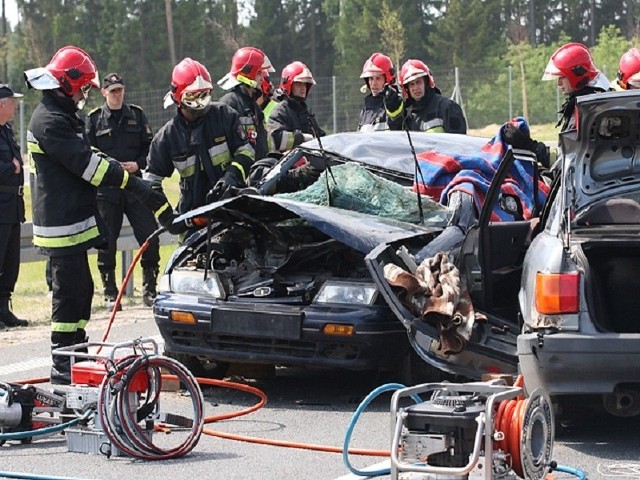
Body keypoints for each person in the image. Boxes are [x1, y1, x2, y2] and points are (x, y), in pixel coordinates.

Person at [24, 46, 173, 384]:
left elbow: (88, 152)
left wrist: (122, 173)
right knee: (69, 295)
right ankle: (63, 362)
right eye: (82, 88)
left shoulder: (59, 114)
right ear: (66, 83)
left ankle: (76, 354)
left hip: (72, 219)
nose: (84, 94)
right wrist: (136, 186)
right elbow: (89, 167)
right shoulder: (49, 121)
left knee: (82, 290)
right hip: (61, 224)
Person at [144, 57, 254, 237]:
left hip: (233, 212)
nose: (200, 103)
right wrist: (167, 218)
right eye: (193, 97)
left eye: (204, 95)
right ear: (177, 97)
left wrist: (232, 177)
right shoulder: (167, 137)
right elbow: (150, 182)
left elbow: (246, 151)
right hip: (192, 220)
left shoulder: (225, 116)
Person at [86, 73, 160, 309]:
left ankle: (150, 289)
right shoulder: (95, 119)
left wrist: (138, 164)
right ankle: (110, 292)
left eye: (121, 90)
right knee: (107, 241)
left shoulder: (136, 115)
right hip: (107, 189)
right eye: (113, 91)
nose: (118, 95)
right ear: (104, 93)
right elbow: (87, 152)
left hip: (134, 185)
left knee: (149, 235)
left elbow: (150, 148)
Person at [0, 84, 28, 329]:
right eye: (12, 101)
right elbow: (10, 165)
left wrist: (15, 166)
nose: (15, 105)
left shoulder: (7, 131)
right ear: (1, 105)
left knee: (10, 262)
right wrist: (11, 168)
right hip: (1, 205)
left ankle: (4, 308)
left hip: (13, 206)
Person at [218, 47, 274, 160]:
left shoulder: (254, 106)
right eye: (259, 73)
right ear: (247, 73)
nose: (261, 79)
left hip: (258, 172)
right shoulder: (229, 103)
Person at [541, 42, 610, 132]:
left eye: (562, 77)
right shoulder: (587, 102)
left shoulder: (587, 107)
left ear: (576, 75)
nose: (558, 83)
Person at [385, 59, 467, 134]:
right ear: (406, 89)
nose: (415, 88)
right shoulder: (407, 114)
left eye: (418, 82)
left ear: (427, 82)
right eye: (411, 84)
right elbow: (397, 137)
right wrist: (394, 112)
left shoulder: (446, 107)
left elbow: (458, 143)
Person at [267, 61, 326, 154]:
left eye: (305, 84)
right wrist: (302, 138)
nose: (303, 88)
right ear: (288, 84)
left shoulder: (305, 112)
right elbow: (277, 138)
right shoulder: (280, 111)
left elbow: (321, 138)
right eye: (299, 84)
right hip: (286, 164)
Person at [357, 53, 396, 132]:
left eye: (378, 78)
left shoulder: (393, 104)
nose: (374, 83)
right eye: (371, 78)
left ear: (387, 80)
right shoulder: (365, 110)